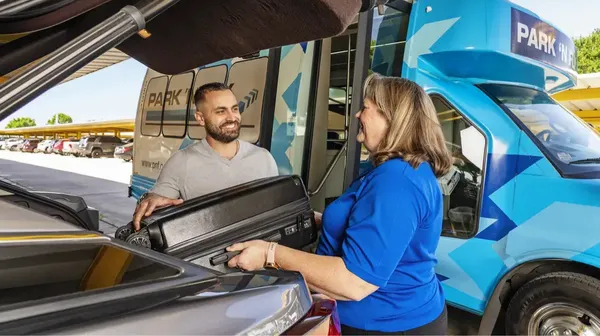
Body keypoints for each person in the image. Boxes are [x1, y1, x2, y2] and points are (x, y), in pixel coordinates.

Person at [226, 73, 453, 335]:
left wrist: (270, 253)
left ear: (390, 119)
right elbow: (380, 230)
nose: (358, 116)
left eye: (365, 108)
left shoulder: (396, 182)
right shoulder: (396, 169)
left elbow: (354, 282)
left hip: (387, 324)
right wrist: (325, 220)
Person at [133, 82, 279, 230]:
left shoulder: (263, 158)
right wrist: (148, 199)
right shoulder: (181, 162)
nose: (232, 117)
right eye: (221, 111)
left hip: (259, 251)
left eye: (234, 109)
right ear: (200, 118)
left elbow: (277, 213)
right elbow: (153, 203)